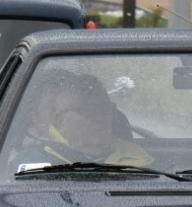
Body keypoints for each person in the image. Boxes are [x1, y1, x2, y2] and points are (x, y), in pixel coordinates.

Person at [16, 70, 151, 167]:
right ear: (61, 121)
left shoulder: (140, 158)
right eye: (88, 111)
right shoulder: (32, 164)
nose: (100, 118)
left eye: (105, 109)